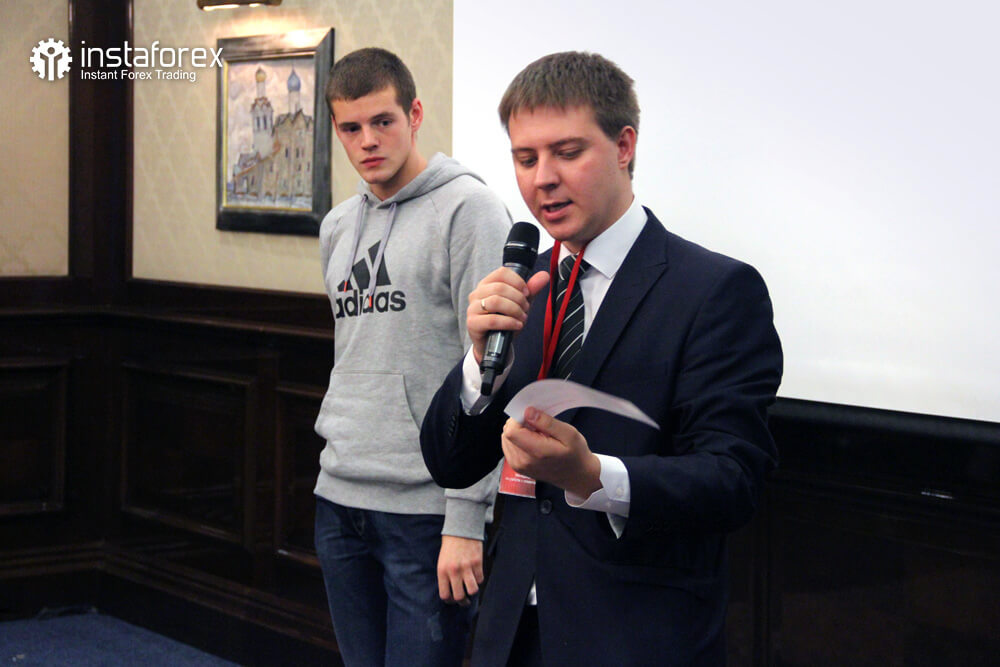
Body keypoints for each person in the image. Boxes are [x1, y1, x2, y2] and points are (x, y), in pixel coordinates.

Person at [420, 51, 783, 666]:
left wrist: (593, 477)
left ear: (624, 146)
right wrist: (479, 363)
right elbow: (450, 463)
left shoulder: (714, 290)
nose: (543, 179)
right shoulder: (525, 286)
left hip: (634, 635)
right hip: (510, 628)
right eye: (525, 158)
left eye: (567, 152)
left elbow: (733, 481)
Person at [313, 47, 510, 667]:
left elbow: (494, 371)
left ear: (415, 114)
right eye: (351, 128)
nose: (368, 141)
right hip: (340, 494)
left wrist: (466, 517)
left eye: (383, 121)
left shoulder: (470, 210)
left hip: (427, 511)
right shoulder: (337, 227)